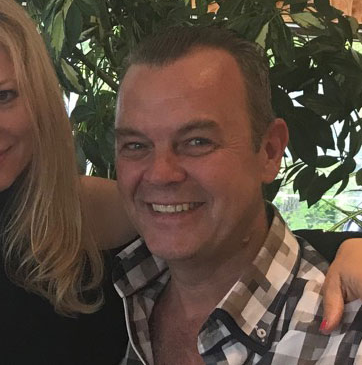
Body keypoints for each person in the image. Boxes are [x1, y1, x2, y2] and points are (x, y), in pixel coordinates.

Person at [0, 0, 360, 365]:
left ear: (38, 99)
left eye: (4, 96)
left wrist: (349, 248)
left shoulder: (94, 214)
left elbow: (230, 227)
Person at [113, 26, 362, 364]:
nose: (160, 174)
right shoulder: (104, 298)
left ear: (270, 151)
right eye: (135, 145)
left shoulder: (347, 339)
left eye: (198, 141)